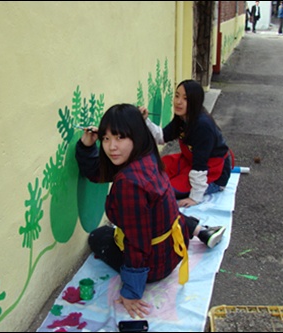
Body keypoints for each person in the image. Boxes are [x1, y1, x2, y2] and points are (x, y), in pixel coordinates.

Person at [75, 103, 226, 319]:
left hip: (155, 265)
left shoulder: (129, 183)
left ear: (135, 136)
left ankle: (197, 232)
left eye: (119, 138)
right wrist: (87, 147)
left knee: (98, 236)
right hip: (174, 247)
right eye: (106, 139)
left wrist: (131, 292)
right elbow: (98, 173)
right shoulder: (147, 157)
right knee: (164, 211)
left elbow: (138, 242)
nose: (111, 147)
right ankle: (200, 230)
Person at [140, 80, 233, 209]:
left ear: (195, 101)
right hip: (191, 162)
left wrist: (195, 198)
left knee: (165, 191)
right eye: (177, 95)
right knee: (155, 170)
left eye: (185, 98)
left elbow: (200, 166)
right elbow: (162, 137)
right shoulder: (182, 117)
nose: (178, 102)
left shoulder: (202, 125)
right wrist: (145, 121)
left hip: (213, 172)